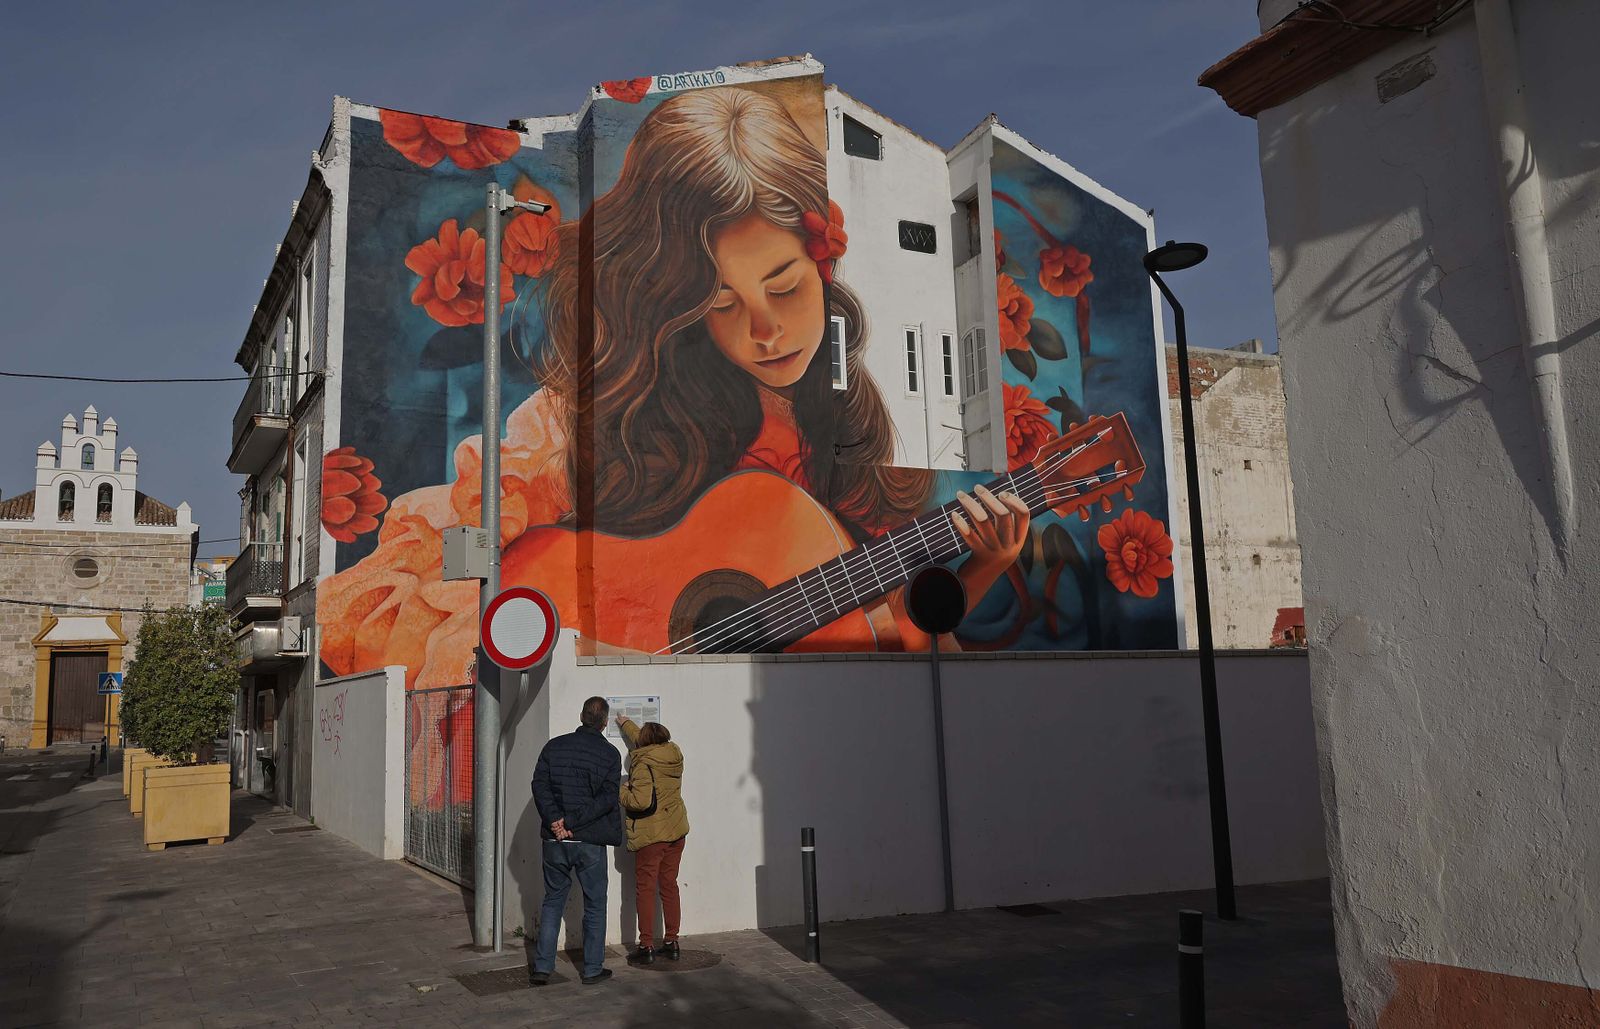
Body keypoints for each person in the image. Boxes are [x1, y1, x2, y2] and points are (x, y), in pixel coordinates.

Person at [317, 86, 1029, 681]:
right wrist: (623, 663)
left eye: (784, 286)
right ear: (678, 304)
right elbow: (456, 582)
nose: (766, 329)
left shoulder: (851, 434)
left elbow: (885, 641)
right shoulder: (595, 419)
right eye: (721, 303)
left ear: (826, 267)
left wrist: (986, 565)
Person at [530, 697, 623, 986]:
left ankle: (542, 968)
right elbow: (607, 799)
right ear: (605, 722)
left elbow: (539, 785)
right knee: (595, 904)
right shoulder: (609, 754)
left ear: (582, 715)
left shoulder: (553, 747)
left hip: (554, 840)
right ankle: (592, 969)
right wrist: (571, 822)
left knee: (553, 901)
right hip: (589, 841)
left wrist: (557, 820)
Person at [615, 717, 689, 964]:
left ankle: (646, 945)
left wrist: (622, 789)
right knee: (669, 885)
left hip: (651, 835)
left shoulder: (643, 763)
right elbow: (642, 739)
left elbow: (640, 801)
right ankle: (672, 940)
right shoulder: (673, 755)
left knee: (645, 889)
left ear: (644, 743)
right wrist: (625, 723)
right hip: (676, 830)